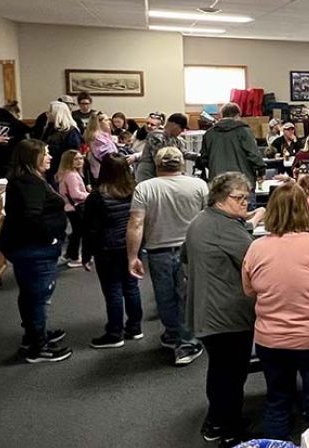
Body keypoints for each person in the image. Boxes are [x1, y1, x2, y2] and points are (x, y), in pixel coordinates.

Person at [242, 182, 309, 438]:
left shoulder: (256, 247)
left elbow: (249, 290)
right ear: (305, 210)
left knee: (277, 400)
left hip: (271, 337)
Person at [182, 172, 262, 446]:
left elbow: (184, 257)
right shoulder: (225, 228)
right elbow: (255, 259)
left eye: (246, 197)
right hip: (227, 315)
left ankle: (215, 420)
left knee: (219, 371)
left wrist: (246, 222)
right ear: (220, 197)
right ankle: (231, 434)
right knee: (232, 375)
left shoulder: (200, 221)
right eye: (239, 198)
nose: (245, 202)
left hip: (205, 312)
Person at [127, 146, 207, 366]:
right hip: (191, 250)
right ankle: (187, 342)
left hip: (157, 250)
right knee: (187, 297)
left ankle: (173, 335)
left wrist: (132, 256)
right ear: (181, 163)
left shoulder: (144, 188)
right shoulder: (198, 185)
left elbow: (136, 223)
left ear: (157, 164)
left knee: (165, 297)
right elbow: (208, 218)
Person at [0, 139, 72, 363]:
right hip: (34, 250)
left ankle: (33, 335)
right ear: (33, 158)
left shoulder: (26, 179)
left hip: (25, 248)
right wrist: (51, 237)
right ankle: (38, 347)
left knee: (30, 294)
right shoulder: (29, 183)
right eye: (46, 154)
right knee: (39, 298)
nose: (50, 157)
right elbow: (31, 218)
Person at [81, 154, 144, 348]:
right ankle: (134, 327)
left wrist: (86, 254)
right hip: (131, 245)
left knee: (113, 290)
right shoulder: (135, 191)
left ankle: (115, 333)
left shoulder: (97, 195)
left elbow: (89, 227)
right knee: (131, 287)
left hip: (107, 247)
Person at [201, 102, 265, 183]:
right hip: (242, 181)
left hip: (218, 181)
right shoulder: (243, 131)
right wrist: (261, 170)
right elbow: (253, 154)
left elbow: (204, 159)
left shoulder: (209, 133)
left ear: (222, 115)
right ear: (238, 115)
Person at [54, 150, 89, 268]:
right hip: (76, 208)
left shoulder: (67, 174)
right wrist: (90, 195)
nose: (80, 161)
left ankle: (70, 254)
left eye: (81, 158)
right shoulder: (72, 176)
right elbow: (76, 195)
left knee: (77, 233)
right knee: (79, 233)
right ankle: (76, 256)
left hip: (71, 208)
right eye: (76, 159)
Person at [135, 113, 185, 182]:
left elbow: (182, 153)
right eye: (181, 128)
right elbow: (160, 158)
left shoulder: (174, 139)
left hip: (163, 175)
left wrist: (197, 157)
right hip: (148, 176)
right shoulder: (156, 136)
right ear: (174, 125)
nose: (182, 131)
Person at [0, 102, 30, 179]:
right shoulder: (16, 124)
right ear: (13, 112)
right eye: (17, 114)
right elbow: (27, 143)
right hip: (8, 162)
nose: (18, 116)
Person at [83, 111, 117, 182]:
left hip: (107, 171)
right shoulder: (97, 137)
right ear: (98, 122)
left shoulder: (103, 135)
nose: (109, 122)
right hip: (102, 173)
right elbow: (107, 156)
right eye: (106, 120)